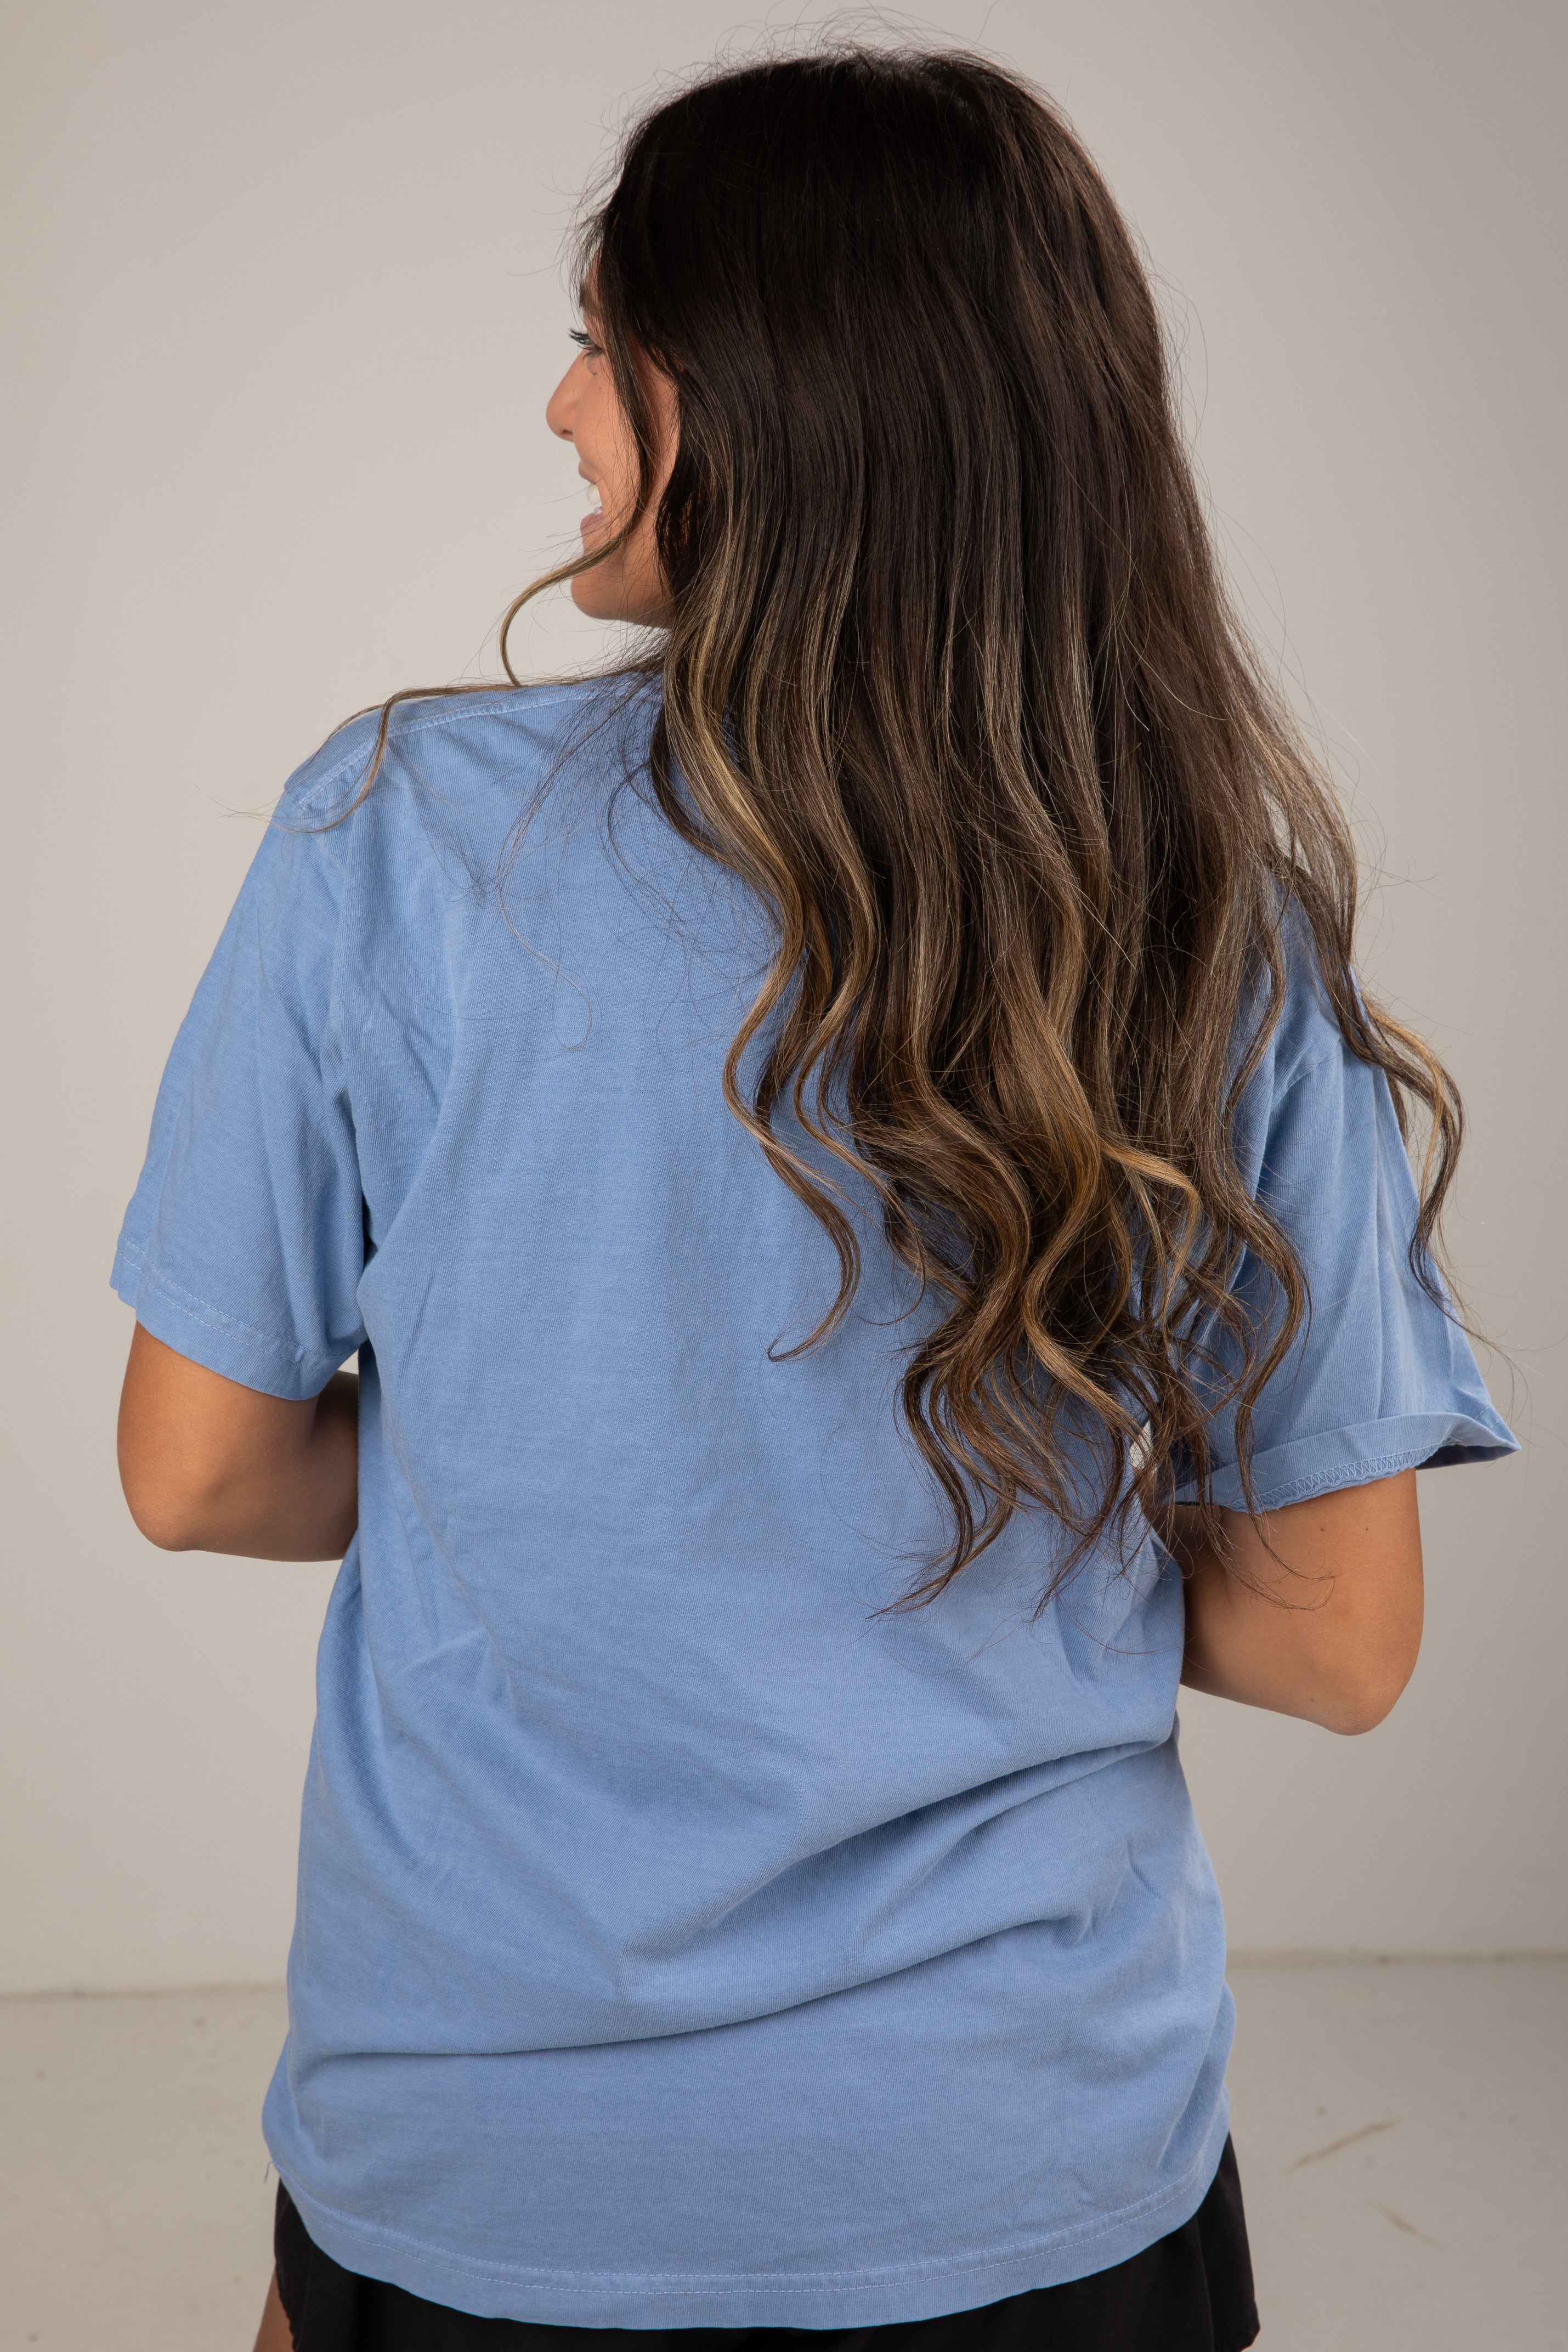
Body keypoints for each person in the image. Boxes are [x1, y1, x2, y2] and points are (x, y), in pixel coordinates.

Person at [112, 46, 1515, 2352]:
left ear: (751, 406)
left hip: (480, 2173)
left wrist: (577, 1486)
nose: (562, 406)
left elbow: (199, 1467)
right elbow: (1335, 1638)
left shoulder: (388, 836)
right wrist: (940, 1550)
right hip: (1032, 2185)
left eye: (601, 342)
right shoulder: (1199, 920)